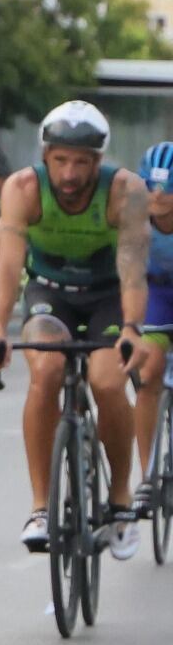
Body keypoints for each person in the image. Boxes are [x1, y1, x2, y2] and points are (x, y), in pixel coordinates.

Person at [0, 101, 152, 557]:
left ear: (98, 161)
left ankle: (119, 499)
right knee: (46, 374)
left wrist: (132, 329)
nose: (70, 173)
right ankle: (41, 507)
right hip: (49, 293)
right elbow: (8, 268)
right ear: (45, 157)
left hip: (107, 295)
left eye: (81, 162)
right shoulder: (23, 189)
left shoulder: (125, 191)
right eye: (60, 160)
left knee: (107, 382)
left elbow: (133, 270)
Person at [135, 141, 173, 503]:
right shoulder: (134, 216)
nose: (158, 195)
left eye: (168, 188)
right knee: (147, 375)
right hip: (156, 294)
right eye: (152, 186)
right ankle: (147, 475)